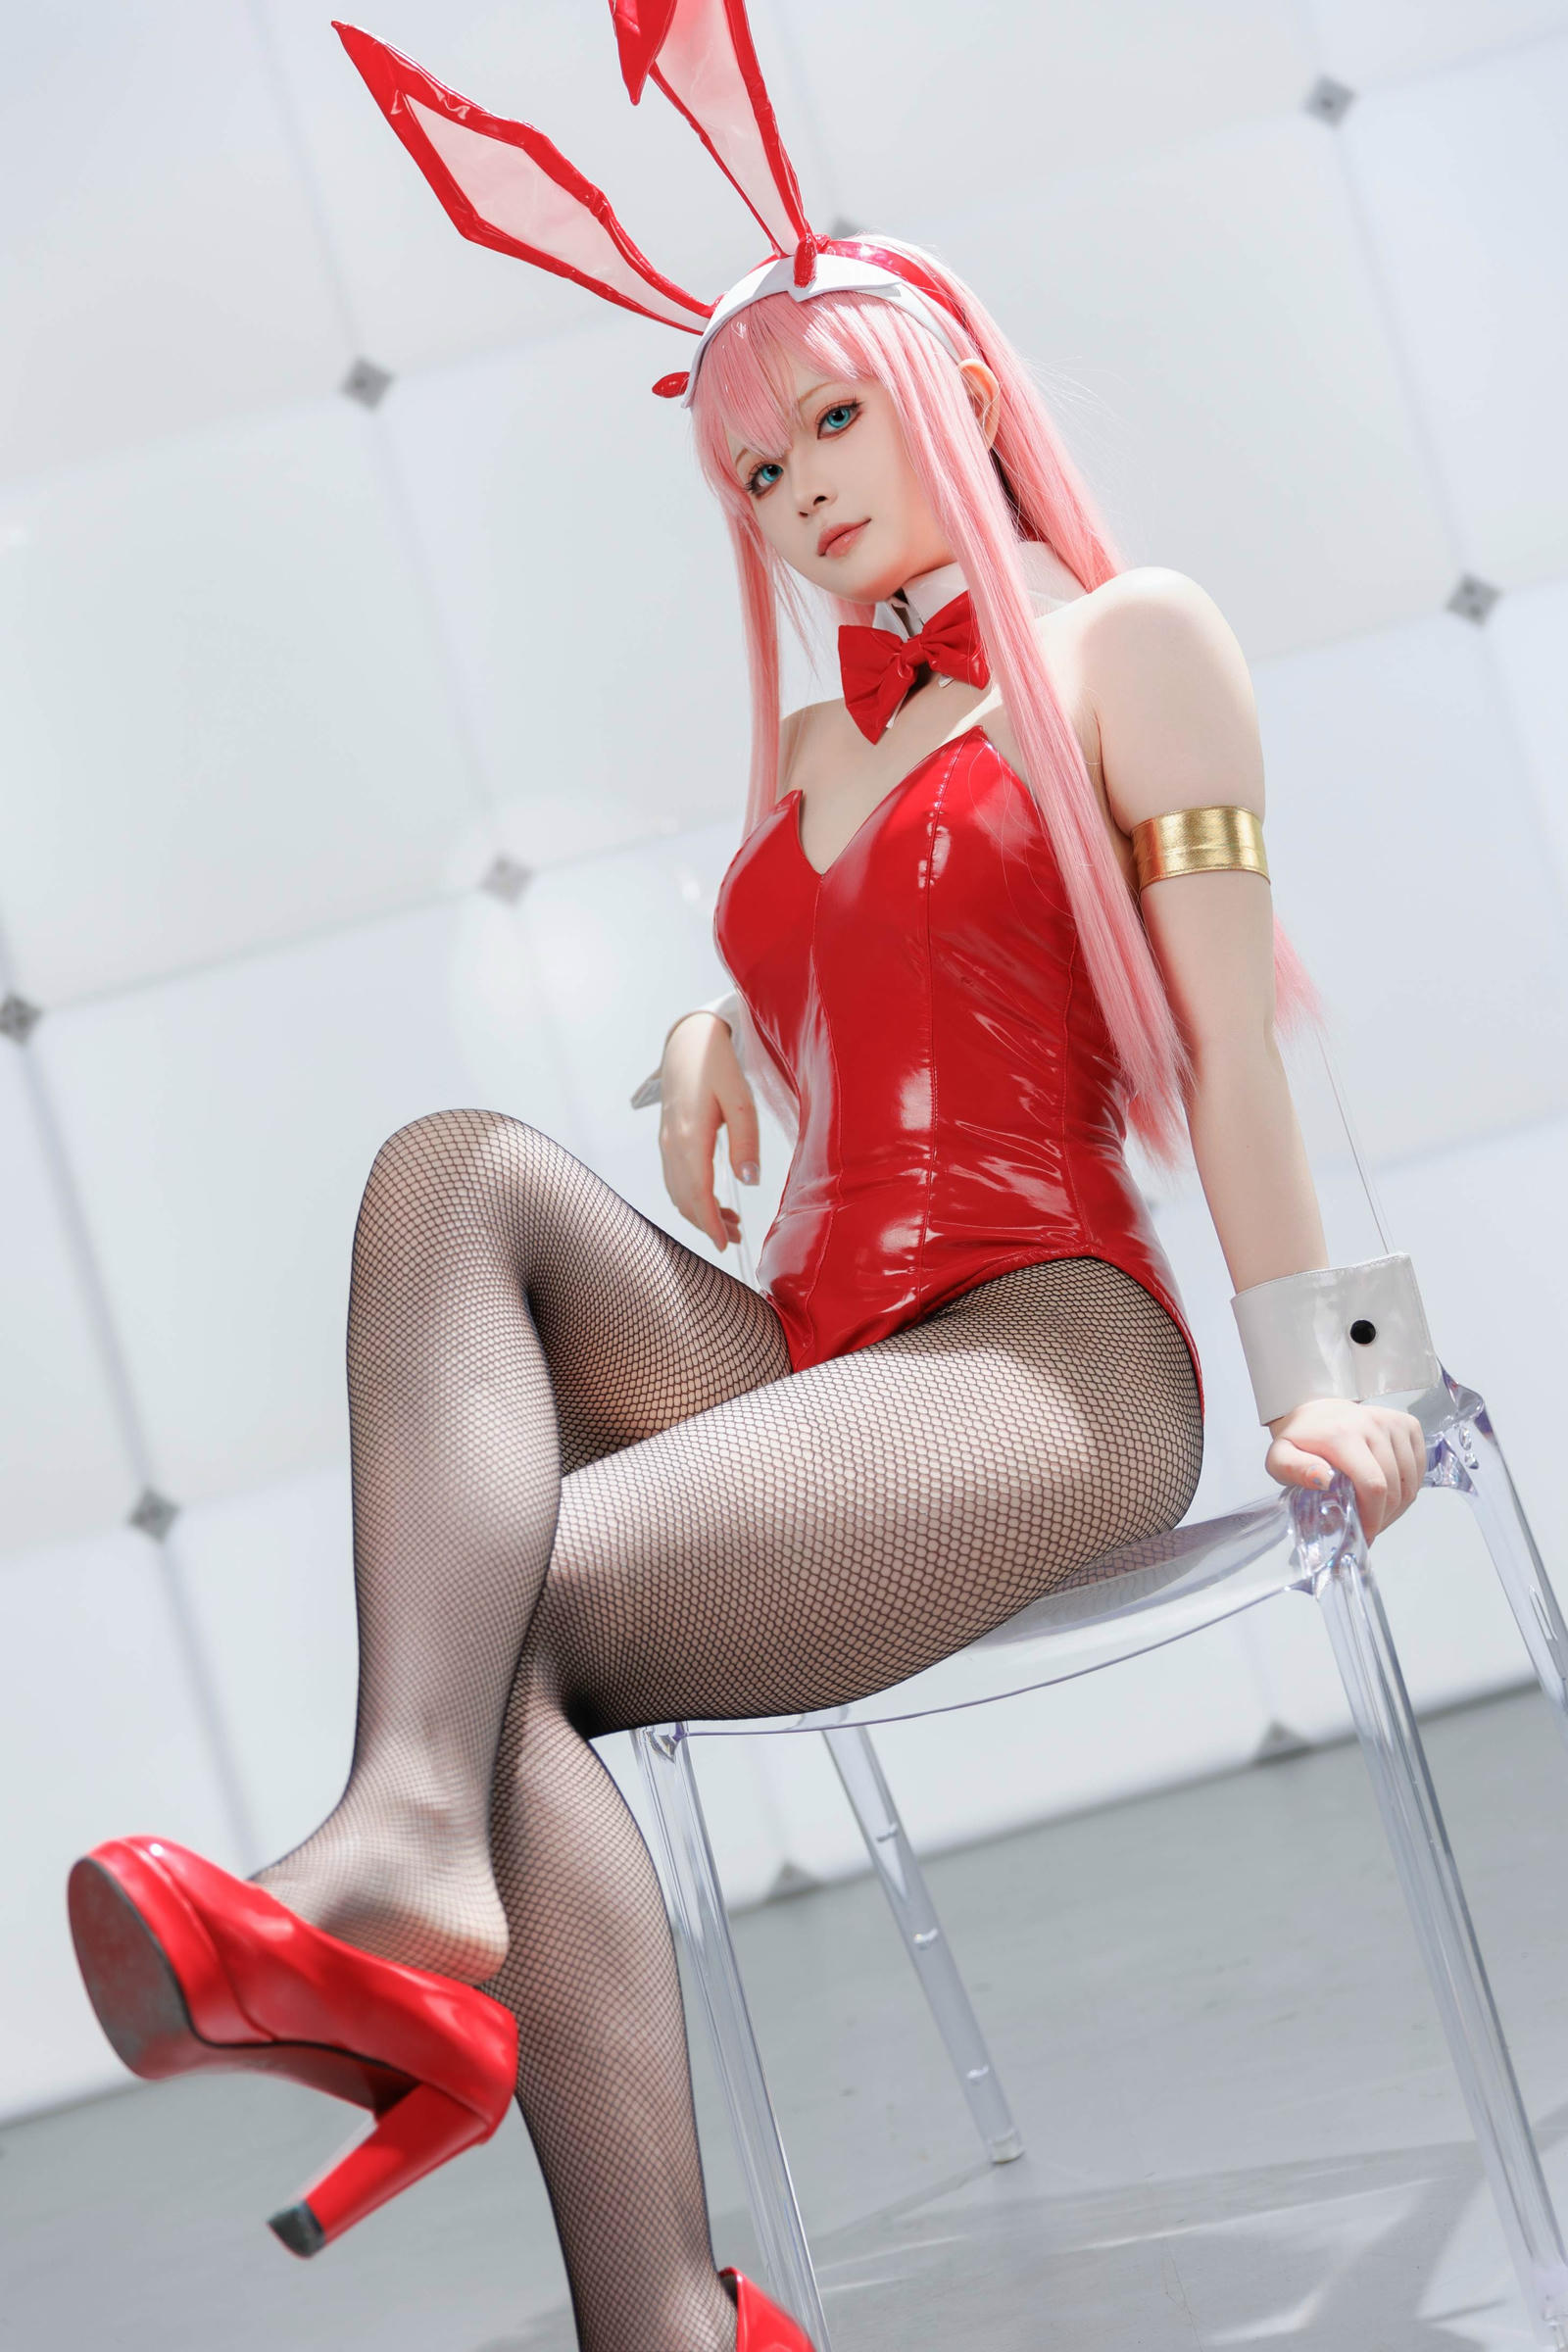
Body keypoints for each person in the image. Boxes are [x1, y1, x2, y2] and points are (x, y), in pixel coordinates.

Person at [66, 11, 1439, 2352]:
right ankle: (424, 1857)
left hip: (1049, 1355)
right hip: (814, 1348)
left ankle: (539, 2112)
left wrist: (1350, 1377)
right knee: (449, 1173)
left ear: (956, 393)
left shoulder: (1126, 645)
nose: (793, 491)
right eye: (751, 467)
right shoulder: (816, 734)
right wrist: (731, 1020)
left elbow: (1224, 1047)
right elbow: (874, 953)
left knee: (514, 1605)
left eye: (828, 424)